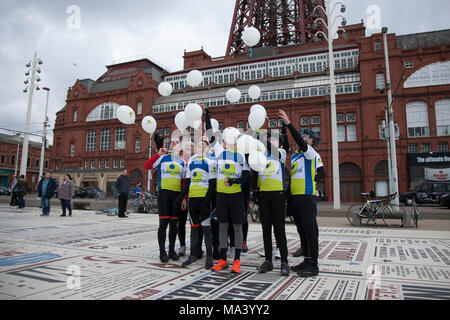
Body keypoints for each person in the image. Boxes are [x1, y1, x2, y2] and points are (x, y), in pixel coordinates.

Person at [279, 110, 325, 278]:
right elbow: (292, 178)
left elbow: (299, 140)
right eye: (302, 135)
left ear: (311, 140)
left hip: (307, 196)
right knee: (300, 230)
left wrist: (289, 124)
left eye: (306, 136)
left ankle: (314, 264)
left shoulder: (310, 152)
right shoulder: (296, 156)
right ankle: (306, 259)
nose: (303, 138)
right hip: (296, 197)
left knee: (309, 229)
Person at [175, 136, 217, 269]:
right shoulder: (192, 160)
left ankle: (209, 256)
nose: (200, 147)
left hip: (203, 198)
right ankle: (193, 255)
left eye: (203, 145)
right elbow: (188, 182)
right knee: (194, 229)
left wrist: (207, 201)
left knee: (206, 228)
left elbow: (212, 184)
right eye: (198, 145)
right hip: (192, 199)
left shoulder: (210, 161)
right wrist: (181, 196)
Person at [254, 126, 290, 276]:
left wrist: (261, 137)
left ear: (279, 143)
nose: (271, 141)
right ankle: (268, 260)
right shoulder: (262, 154)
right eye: (269, 140)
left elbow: (271, 147)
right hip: (264, 195)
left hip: (277, 195)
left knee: (279, 229)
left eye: (274, 140)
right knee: (266, 229)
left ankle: (284, 262)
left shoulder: (280, 153)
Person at [144, 137, 186, 263]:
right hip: (164, 194)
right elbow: (147, 166)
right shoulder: (162, 157)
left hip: (176, 195)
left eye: (176, 143)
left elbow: (183, 182)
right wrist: (158, 154)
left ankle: (172, 250)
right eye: (172, 143)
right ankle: (162, 252)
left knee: (174, 225)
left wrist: (184, 198)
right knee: (163, 224)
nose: (173, 144)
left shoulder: (182, 162)